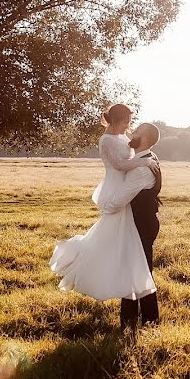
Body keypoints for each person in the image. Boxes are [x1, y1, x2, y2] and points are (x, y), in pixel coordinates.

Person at [49, 104, 158, 304]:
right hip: (116, 186)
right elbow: (119, 164)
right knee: (114, 240)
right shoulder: (106, 140)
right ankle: (123, 289)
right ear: (116, 121)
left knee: (119, 244)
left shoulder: (123, 137)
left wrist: (146, 160)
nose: (129, 126)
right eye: (126, 121)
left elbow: (136, 152)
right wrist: (145, 162)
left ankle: (129, 291)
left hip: (126, 189)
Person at [98, 122, 163, 331]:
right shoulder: (144, 160)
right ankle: (133, 322)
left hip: (140, 225)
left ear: (144, 139)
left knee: (140, 272)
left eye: (136, 132)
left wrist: (104, 208)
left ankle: (145, 322)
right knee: (135, 271)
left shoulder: (142, 169)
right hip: (140, 223)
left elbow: (120, 199)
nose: (131, 134)